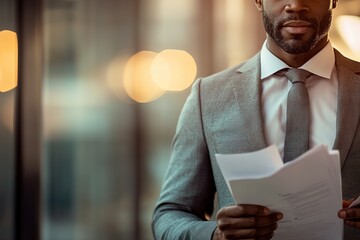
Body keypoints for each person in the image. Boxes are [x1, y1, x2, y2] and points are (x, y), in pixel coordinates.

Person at [152, 0, 360, 239]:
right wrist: (215, 234)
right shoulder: (207, 97)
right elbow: (170, 215)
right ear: (258, 1)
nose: (295, 4)